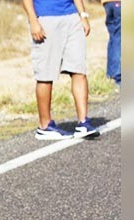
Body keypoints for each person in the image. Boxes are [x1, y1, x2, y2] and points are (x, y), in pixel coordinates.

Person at [22, 0, 99, 140]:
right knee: (45, 74)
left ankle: (83, 122)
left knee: (79, 69)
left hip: (72, 17)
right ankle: (45, 126)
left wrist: (83, 15)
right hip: (45, 19)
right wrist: (33, 21)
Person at [104, 0, 121, 87]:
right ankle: (118, 76)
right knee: (119, 39)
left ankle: (111, 73)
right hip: (118, 3)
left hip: (107, 4)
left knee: (113, 38)